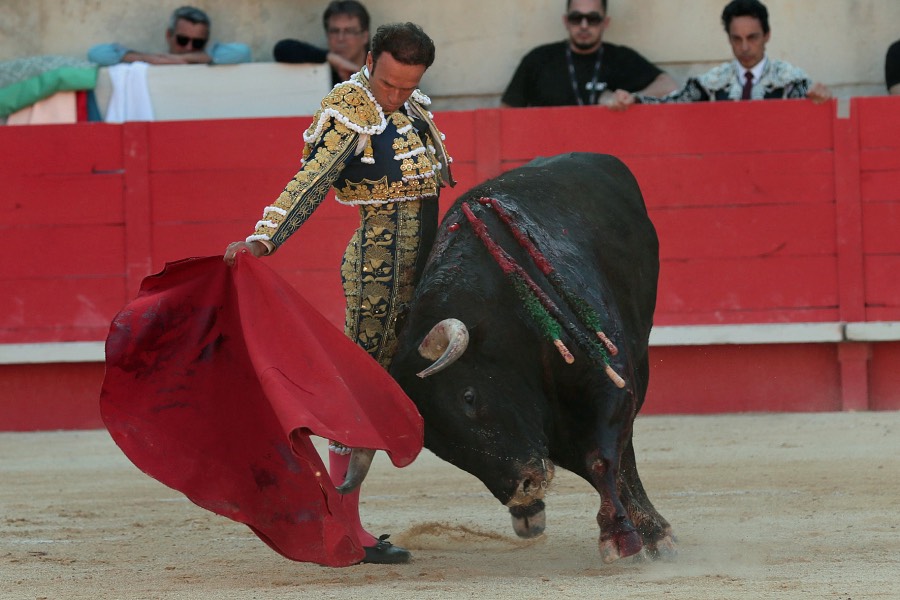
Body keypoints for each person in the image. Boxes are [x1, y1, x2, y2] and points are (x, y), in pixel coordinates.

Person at [223, 21, 454, 565]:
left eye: (406, 86)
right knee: (357, 394)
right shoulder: (349, 107)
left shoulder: (414, 102)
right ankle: (343, 528)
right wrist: (264, 239)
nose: (394, 97)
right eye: (388, 83)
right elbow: (310, 180)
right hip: (379, 267)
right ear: (370, 59)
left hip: (426, 263)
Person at [607, 0, 831, 109]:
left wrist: (821, 98)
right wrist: (635, 99)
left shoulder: (791, 80)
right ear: (729, 38)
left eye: (752, 37)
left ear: (767, 36)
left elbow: (816, 104)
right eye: (737, 39)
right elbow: (672, 104)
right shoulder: (712, 83)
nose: (744, 47)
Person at [500, 0, 677, 108]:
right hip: (548, 161)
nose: (584, 25)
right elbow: (507, 110)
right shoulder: (538, 60)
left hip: (606, 158)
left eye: (592, 18)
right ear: (566, 21)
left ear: (605, 22)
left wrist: (633, 99)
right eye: (576, 18)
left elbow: (669, 86)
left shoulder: (621, 58)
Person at [87, 6, 251, 66]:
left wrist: (189, 59)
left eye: (198, 43)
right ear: (168, 35)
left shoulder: (205, 62)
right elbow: (96, 55)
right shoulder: (147, 64)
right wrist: (151, 59)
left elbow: (243, 53)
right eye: (182, 40)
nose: (189, 47)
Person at [274, 1, 371, 86]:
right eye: (334, 31)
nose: (340, 38)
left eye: (349, 31)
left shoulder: (379, 69)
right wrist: (329, 58)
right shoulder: (325, 70)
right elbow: (281, 49)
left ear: (365, 36)